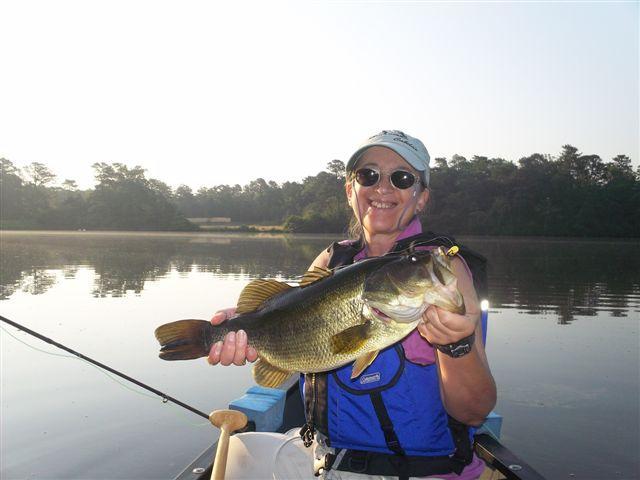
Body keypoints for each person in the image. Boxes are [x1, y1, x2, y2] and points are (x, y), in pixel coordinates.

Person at [208, 130, 497, 480]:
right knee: (238, 460)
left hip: (420, 472)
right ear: (350, 191)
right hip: (323, 458)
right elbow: (287, 315)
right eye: (368, 175)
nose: (383, 187)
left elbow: (474, 412)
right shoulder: (331, 260)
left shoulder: (439, 268)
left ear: (421, 198)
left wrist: (456, 345)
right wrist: (244, 324)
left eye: (402, 178)